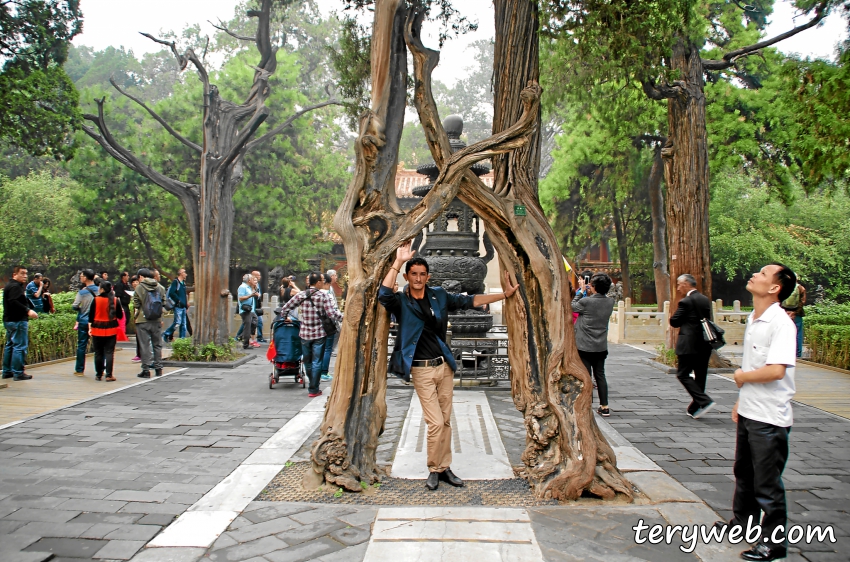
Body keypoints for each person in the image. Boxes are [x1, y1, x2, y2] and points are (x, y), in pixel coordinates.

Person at [379, 240, 519, 490]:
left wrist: (504, 295)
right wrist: (397, 261)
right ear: (407, 276)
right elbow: (383, 294)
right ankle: (435, 468)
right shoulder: (401, 301)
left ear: (428, 276)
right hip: (421, 369)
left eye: (422, 274)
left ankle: (444, 467)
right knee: (434, 422)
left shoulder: (439, 295)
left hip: (443, 367)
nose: (418, 278)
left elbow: (470, 301)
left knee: (444, 421)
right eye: (414, 274)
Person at [715, 263, 798, 562]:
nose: (754, 275)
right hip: (751, 411)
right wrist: (741, 400)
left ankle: (774, 543)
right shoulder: (755, 317)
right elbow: (754, 367)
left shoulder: (781, 324)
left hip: (770, 417)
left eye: (762, 274)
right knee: (744, 474)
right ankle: (742, 524)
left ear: (775, 288)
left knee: (767, 483)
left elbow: (776, 370)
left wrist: (740, 377)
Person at [276, 272, 343, 398]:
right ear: (317, 282)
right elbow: (332, 314)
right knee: (317, 361)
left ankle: (312, 384)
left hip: (304, 333)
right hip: (319, 333)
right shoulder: (324, 296)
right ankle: (314, 388)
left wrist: (286, 318)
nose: (323, 282)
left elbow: (285, 308)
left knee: (307, 360)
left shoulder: (301, 295)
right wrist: (345, 317)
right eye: (322, 280)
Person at [669, 273, 715, 418]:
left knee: (682, 374)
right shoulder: (704, 299)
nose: (678, 288)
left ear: (685, 284)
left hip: (688, 344)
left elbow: (674, 321)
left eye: (678, 285)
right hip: (704, 343)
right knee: (700, 376)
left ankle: (704, 401)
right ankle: (694, 408)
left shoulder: (686, 302)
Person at [572, 272, 615, 416]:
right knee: (600, 375)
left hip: (584, 345)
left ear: (594, 287)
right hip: (600, 345)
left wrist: (582, 291)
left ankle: (586, 404)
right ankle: (604, 406)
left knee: (586, 376)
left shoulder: (586, 302)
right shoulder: (610, 302)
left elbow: (572, 306)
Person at [3, 266, 38, 380]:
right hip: (18, 320)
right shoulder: (15, 287)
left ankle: (7, 371)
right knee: (19, 346)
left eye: (26, 273)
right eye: (22, 273)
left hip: (9, 320)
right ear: (15, 274)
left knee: (10, 345)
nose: (25, 276)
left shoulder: (10, 286)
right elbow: (14, 301)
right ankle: (18, 372)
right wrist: (27, 310)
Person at [133, 268, 167, 378]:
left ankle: (146, 370)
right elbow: (164, 303)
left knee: (144, 345)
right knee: (157, 345)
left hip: (142, 320)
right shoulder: (160, 287)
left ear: (141, 277)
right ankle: (158, 368)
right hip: (156, 320)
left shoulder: (139, 287)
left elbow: (136, 305)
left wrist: (135, 316)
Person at [87, 281, 123, 382]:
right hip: (111, 330)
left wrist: (89, 328)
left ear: (102, 289)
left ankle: (98, 374)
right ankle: (109, 375)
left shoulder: (96, 300)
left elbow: (91, 316)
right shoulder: (115, 300)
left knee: (98, 353)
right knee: (109, 353)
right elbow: (120, 316)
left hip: (97, 330)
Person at [72, 269, 99, 377]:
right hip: (97, 320)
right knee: (99, 347)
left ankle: (79, 370)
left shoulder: (82, 292)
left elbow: (74, 306)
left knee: (81, 346)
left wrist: (81, 309)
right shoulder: (99, 290)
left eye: (82, 276)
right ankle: (100, 370)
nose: (80, 277)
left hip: (84, 321)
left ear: (86, 278)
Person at [319, 271, 342, 382]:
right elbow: (332, 312)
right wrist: (343, 318)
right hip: (328, 325)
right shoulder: (327, 294)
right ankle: (323, 372)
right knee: (327, 349)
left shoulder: (311, 293)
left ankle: (315, 372)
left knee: (318, 348)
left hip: (314, 327)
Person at [780, 280, 806, 358]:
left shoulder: (782, 287)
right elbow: (802, 302)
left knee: (782, 333)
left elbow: (778, 301)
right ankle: (797, 354)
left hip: (784, 313)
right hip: (797, 315)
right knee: (798, 334)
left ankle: (784, 353)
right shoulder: (801, 288)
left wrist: (785, 311)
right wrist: (795, 312)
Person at [163, 268, 189, 342]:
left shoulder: (183, 283)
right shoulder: (175, 282)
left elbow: (184, 295)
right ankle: (167, 333)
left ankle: (182, 340)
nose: (186, 274)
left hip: (183, 306)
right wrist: (178, 301)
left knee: (183, 324)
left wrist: (186, 305)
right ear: (180, 273)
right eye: (184, 272)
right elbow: (172, 293)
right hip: (178, 306)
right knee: (177, 322)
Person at [237, 274, 260, 350]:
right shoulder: (242, 287)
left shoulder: (248, 287)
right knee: (247, 326)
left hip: (251, 309)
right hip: (245, 310)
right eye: (252, 279)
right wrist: (250, 295)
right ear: (249, 280)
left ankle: (241, 336)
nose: (253, 280)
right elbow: (240, 298)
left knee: (255, 322)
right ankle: (245, 344)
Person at [128, 275, 142, 362]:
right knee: (138, 337)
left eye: (136, 281)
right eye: (133, 282)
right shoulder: (134, 292)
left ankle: (141, 354)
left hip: (141, 317)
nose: (134, 283)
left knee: (141, 337)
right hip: (137, 316)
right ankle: (139, 354)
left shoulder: (141, 291)